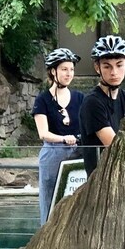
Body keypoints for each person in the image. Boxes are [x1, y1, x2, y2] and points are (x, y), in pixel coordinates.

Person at [31, 48, 84, 225]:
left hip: (78, 152)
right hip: (53, 153)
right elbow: (43, 133)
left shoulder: (80, 98)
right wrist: (64, 138)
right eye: (64, 69)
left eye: (71, 69)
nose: (69, 73)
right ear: (53, 71)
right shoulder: (43, 100)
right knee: (49, 201)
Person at [79, 35, 125, 176]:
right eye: (107, 66)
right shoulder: (92, 102)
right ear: (97, 67)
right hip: (101, 181)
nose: (114, 72)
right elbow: (114, 145)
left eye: (119, 65)